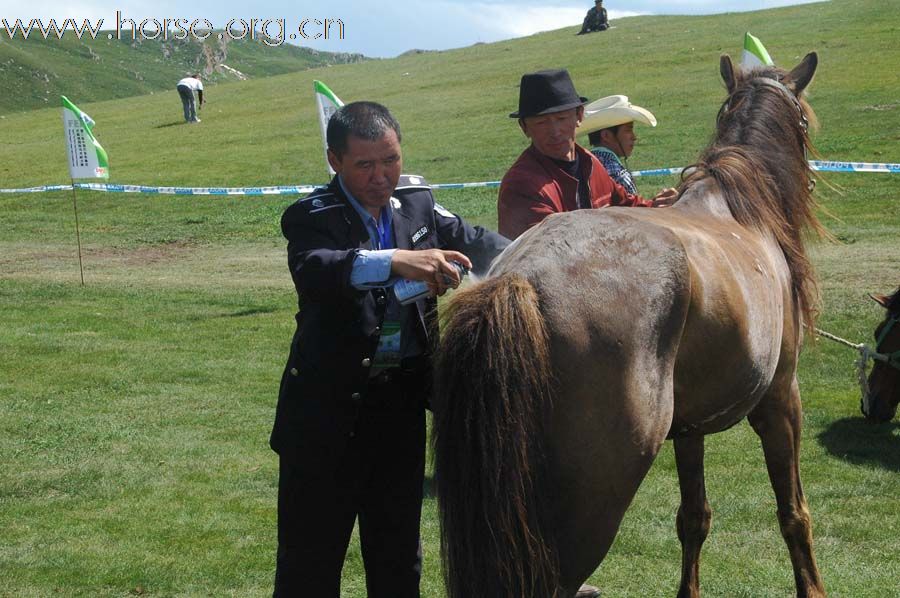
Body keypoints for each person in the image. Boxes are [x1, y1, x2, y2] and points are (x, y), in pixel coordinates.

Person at [270, 101, 509, 597]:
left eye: (391, 160)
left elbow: (478, 241)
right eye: (365, 165)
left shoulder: (417, 202)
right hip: (323, 423)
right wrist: (397, 261)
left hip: (399, 416)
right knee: (308, 571)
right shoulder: (310, 216)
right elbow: (318, 269)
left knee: (399, 565)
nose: (382, 177)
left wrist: (550, 247)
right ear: (334, 160)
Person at [498, 68, 677, 240]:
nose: (555, 131)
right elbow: (551, 250)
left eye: (561, 119)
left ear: (579, 116)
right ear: (524, 127)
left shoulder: (590, 163)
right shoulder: (522, 185)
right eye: (541, 123)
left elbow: (624, 204)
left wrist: (655, 206)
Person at [582, 95, 659, 195]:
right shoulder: (619, 175)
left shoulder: (583, 164)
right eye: (628, 130)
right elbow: (635, 210)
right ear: (606, 136)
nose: (634, 137)